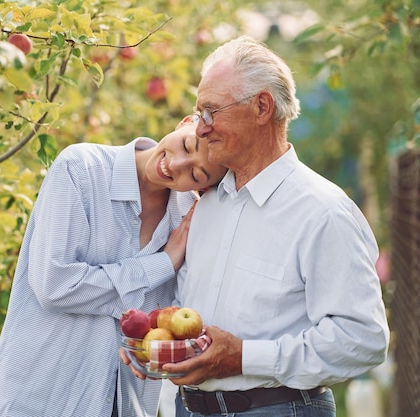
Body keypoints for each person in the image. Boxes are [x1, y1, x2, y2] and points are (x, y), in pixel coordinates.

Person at [124, 36, 390, 417]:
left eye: (211, 111)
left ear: (262, 107)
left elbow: (363, 339)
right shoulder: (206, 203)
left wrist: (245, 358)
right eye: (199, 114)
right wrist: (153, 342)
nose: (201, 128)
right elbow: (189, 311)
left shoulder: (323, 212)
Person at [0, 118, 228, 417]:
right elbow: (55, 286)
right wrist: (161, 263)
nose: (177, 164)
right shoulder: (80, 169)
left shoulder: (190, 217)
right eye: (187, 145)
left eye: (195, 174)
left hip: (123, 407)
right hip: (34, 402)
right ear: (185, 122)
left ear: (205, 187)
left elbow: (177, 318)